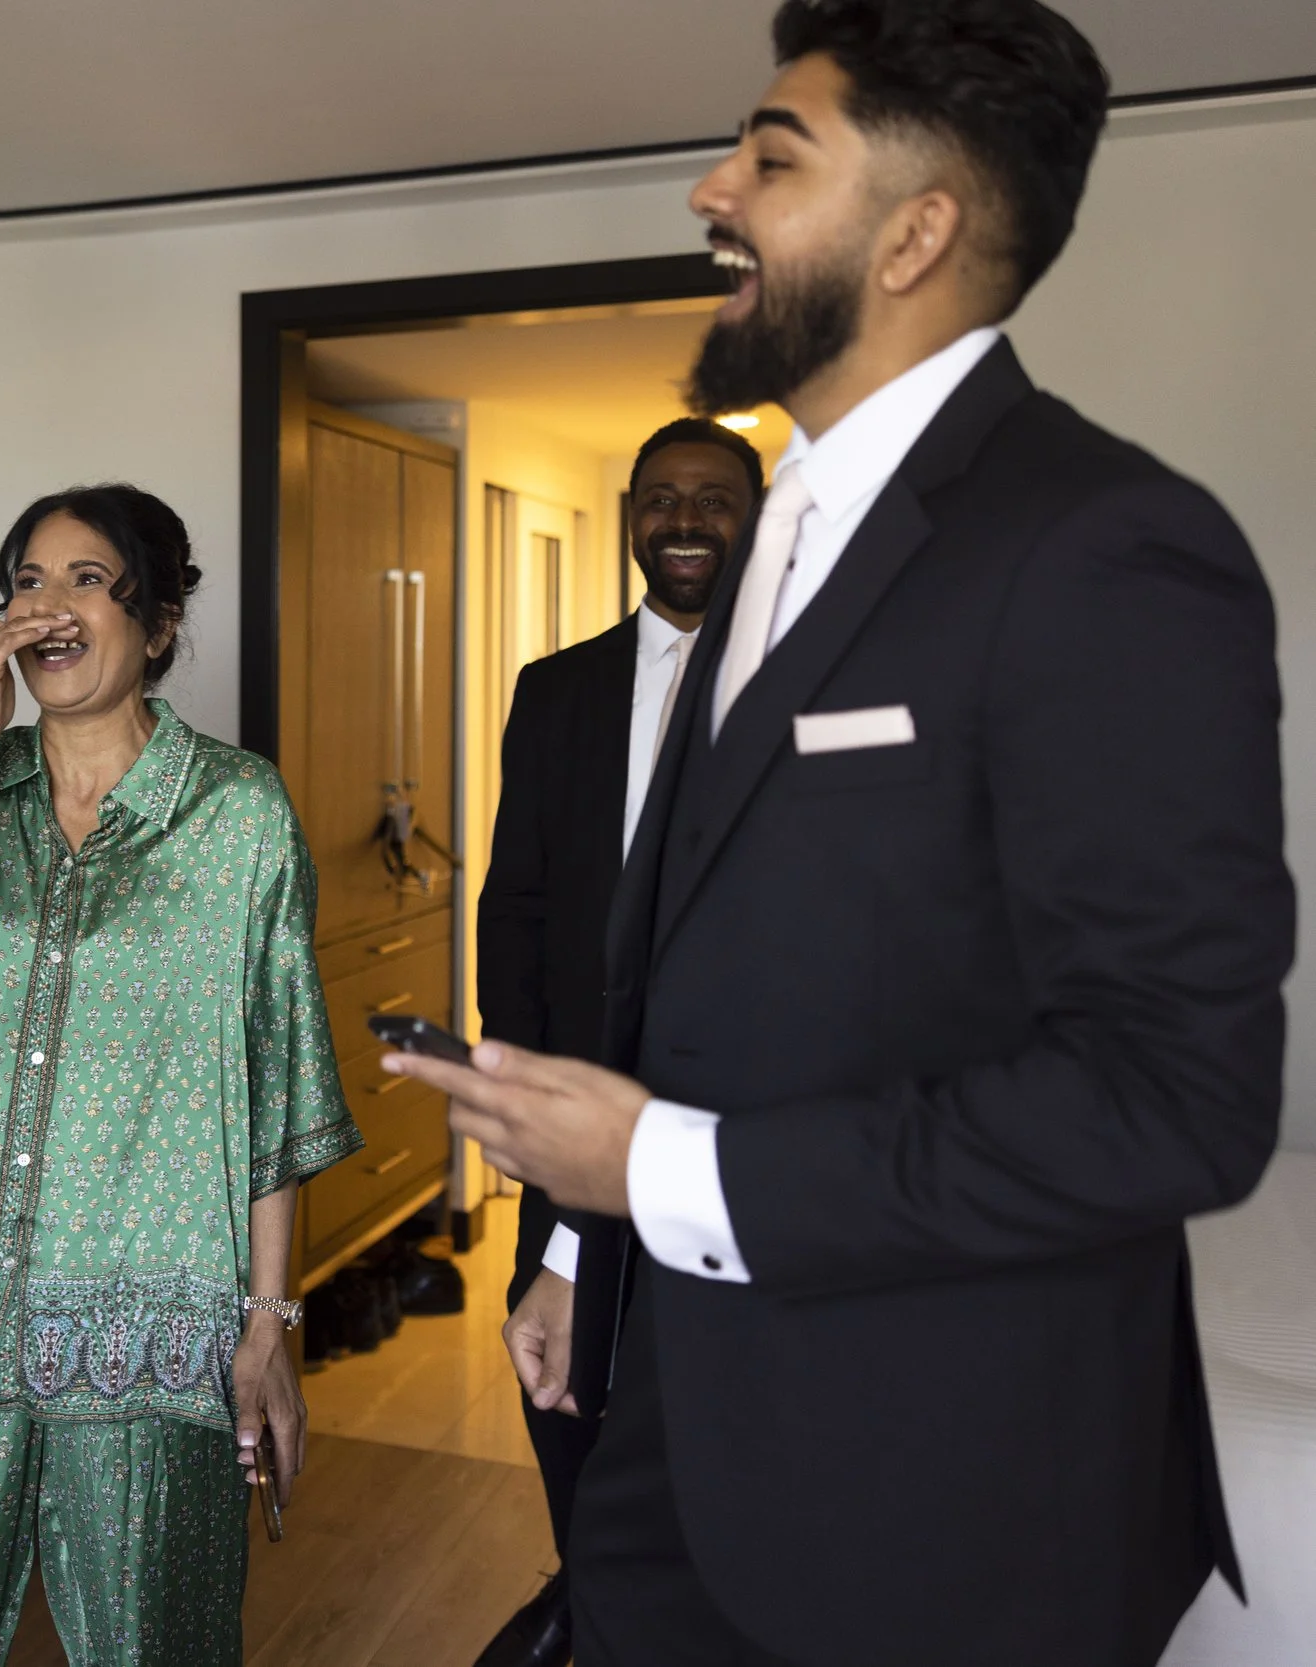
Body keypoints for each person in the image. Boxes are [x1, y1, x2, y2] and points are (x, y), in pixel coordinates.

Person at [384, 4, 1291, 1664]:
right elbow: (686, 979)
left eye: (772, 158)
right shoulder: (771, 540)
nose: (710, 190)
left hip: (943, 1511)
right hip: (678, 1444)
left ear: (915, 234)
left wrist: (663, 1169)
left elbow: (1178, 1098)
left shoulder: (1107, 545)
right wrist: (584, 1241)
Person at [0, 485, 359, 1666]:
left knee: (157, 1643)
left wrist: (269, 1322)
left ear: (157, 625)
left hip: (152, 1326)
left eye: (86, 580)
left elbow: (274, 1079)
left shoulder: (238, 813)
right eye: (25, 582)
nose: (47, 607)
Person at [469, 418, 758, 1667]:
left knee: (715, 1405)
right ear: (634, 514)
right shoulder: (557, 689)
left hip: (737, 1121)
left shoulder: (807, 684)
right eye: (661, 498)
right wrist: (508, 1083)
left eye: (713, 497)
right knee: (562, 1384)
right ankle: (589, 1597)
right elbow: (515, 903)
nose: (684, 519)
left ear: (758, 516)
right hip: (574, 1109)